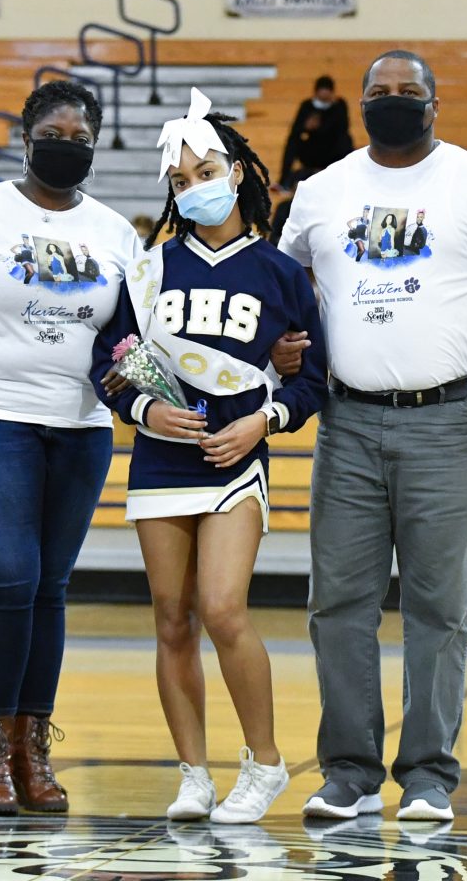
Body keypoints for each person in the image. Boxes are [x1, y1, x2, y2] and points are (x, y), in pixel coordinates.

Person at [278, 50, 467, 823]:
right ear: (360, 103)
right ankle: (350, 774)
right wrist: (284, 347)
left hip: (447, 422)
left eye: (408, 90)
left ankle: (428, 776)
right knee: (338, 604)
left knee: (439, 607)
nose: (392, 99)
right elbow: (283, 290)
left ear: (434, 103)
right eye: (379, 91)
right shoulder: (323, 191)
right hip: (347, 423)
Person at [91, 88, 327, 825]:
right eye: (180, 179)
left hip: (234, 463)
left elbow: (313, 380)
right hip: (161, 462)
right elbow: (111, 362)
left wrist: (265, 421)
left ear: (237, 172)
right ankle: (193, 774)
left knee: (223, 609)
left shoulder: (281, 273)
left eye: (205, 173)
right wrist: (145, 410)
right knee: (171, 619)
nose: (194, 188)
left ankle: (266, 764)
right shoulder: (150, 269)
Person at [0, 79, 141, 816]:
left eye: (80, 139)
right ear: (26, 138)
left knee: (49, 587)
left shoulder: (116, 233)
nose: (66, 147)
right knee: (9, 577)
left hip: (81, 427)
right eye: (53, 136)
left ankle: (30, 749)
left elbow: (132, 340)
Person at [278, 75, 353, 191]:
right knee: (292, 141)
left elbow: (343, 128)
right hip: (312, 152)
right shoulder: (307, 106)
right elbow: (295, 131)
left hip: (333, 151)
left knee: (346, 140)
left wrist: (321, 126)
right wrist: (306, 127)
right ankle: (284, 181)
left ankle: (349, 177)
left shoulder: (339, 105)